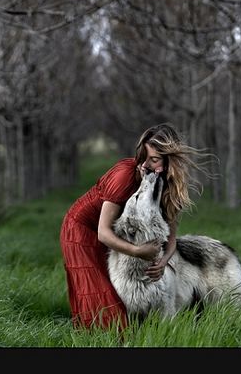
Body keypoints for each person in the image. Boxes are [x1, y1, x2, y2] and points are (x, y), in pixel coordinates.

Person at [59, 123, 208, 330]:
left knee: (115, 297)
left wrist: (162, 262)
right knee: (103, 299)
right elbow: (103, 232)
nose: (145, 165)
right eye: (144, 157)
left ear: (168, 162)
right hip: (84, 229)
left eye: (154, 160)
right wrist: (138, 251)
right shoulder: (125, 176)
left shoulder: (168, 187)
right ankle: (98, 342)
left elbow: (170, 239)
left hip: (117, 233)